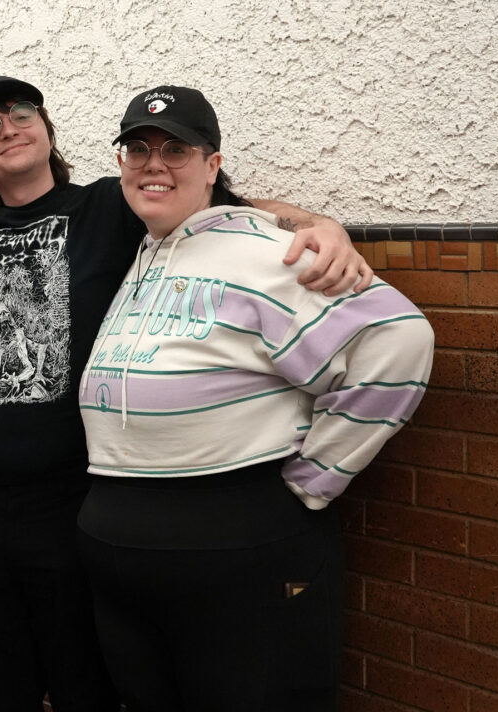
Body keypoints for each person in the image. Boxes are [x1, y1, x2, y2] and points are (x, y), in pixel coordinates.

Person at [0, 76, 377, 712]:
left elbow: (219, 204)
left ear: (47, 132)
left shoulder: (105, 208)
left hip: (71, 501)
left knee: (85, 688)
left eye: (21, 113)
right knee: (2, 690)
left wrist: (321, 225)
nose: (7, 129)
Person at [75, 85, 434, 711]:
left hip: (237, 548)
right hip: (125, 559)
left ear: (213, 165)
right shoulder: (142, 247)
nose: (154, 163)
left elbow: (399, 339)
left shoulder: (268, 252)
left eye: (176, 149)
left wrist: (314, 477)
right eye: (137, 148)